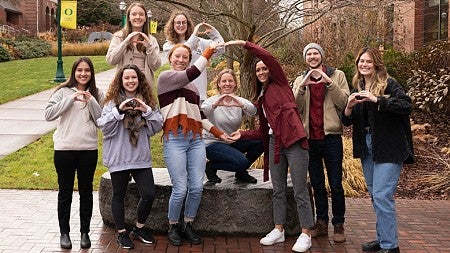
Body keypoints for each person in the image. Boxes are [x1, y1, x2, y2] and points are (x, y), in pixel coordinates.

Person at [225, 40, 314, 253]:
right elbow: (263, 131)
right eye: (258, 70)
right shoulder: (263, 97)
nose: (262, 71)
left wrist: (245, 44)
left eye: (264, 68)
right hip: (275, 144)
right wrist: (242, 134)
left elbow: (270, 58)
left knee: (300, 190)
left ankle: (306, 234)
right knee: (278, 190)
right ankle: (278, 229)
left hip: (293, 140)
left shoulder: (281, 84)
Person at [341, 47, 414, 253]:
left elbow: (406, 105)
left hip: (389, 146)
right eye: (361, 61)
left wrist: (377, 100)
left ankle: (391, 246)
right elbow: (347, 121)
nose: (364, 65)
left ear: (376, 64)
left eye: (368, 62)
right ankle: (383, 238)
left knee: (382, 195)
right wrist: (348, 105)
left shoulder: (389, 84)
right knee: (375, 195)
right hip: (367, 145)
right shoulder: (358, 86)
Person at [157, 42, 231, 246]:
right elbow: (191, 73)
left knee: (197, 187)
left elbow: (199, 116)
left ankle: (187, 224)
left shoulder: (192, 88)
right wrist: (209, 52)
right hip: (175, 139)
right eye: (177, 56)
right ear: (170, 58)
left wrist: (219, 133)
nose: (180, 60)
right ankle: (173, 224)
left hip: (195, 139)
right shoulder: (166, 78)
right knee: (180, 188)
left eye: (185, 57)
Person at [97, 64, 163, 249]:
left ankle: (139, 228)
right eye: (126, 78)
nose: (130, 81)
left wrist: (146, 111)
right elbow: (104, 127)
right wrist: (119, 110)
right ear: (121, 81)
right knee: (118, 195)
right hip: (119, 156)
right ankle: (121, 233)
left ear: (139, 79)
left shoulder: (147, 100)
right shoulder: (111, 102)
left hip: (140, 156)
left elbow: (156, 127)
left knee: (149, 193)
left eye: (134, 77)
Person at [292, 43, 350, 243]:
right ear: (305, 58)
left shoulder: (337, 75)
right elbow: (294, 107)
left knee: (336, 184)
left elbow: (344, 102)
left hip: (331, 138)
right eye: (309, 53)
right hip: (310, 139)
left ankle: (339, 225)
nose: (312, 56)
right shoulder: (301, 78)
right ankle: (322, 223)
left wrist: (328, 83)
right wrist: (302, 87)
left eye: (316, 53)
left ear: (321, 56)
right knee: (317, 184)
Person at [44, 57, 103, 249]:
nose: (83, 74)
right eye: (80, 70)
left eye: (87, 70)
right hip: (64, 150)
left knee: (86, 192)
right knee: (65, 192)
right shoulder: (62, 92)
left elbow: (101, 120)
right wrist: (72, 97)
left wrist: (91, 100)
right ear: (74, 72)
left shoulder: (97, 93)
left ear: (91, 73)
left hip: (88, 149)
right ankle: (65, 233)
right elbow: (49, 114)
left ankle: (85, 233)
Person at [201, 69, 263, 184]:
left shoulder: (238, 101)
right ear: (219, 84)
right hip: (212, 143)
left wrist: (241, 105)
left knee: (261, 142)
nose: (227, 84)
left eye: (231, 81)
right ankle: (211, 166)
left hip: (231, 141)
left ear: (235, 84)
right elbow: (202, 111)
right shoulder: (211, 101)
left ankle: (241, 173)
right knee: (241, 162)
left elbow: (254, 112)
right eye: (224, 81)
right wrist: (216, 104)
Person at [163, 10, 224, 103]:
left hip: (199, 93)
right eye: (178, 23)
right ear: (173, 25)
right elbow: (184, 50)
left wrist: (213, 33)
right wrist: (194, 36)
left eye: (184, 22)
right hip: (179, 94)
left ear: (188, 25)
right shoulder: (168, 46)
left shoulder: (200, 42)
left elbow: (220, 48)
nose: (181, 25)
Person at [106, 2, 161, 87]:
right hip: (123, 85)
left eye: (141, 14)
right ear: (128, 18)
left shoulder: (151, 40)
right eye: (134, 14)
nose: (138, 17)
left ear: (146, 18)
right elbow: (111, 60)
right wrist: (125, 43)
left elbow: (156, 66)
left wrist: (149, 47)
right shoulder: (119, 37)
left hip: (144, 87)